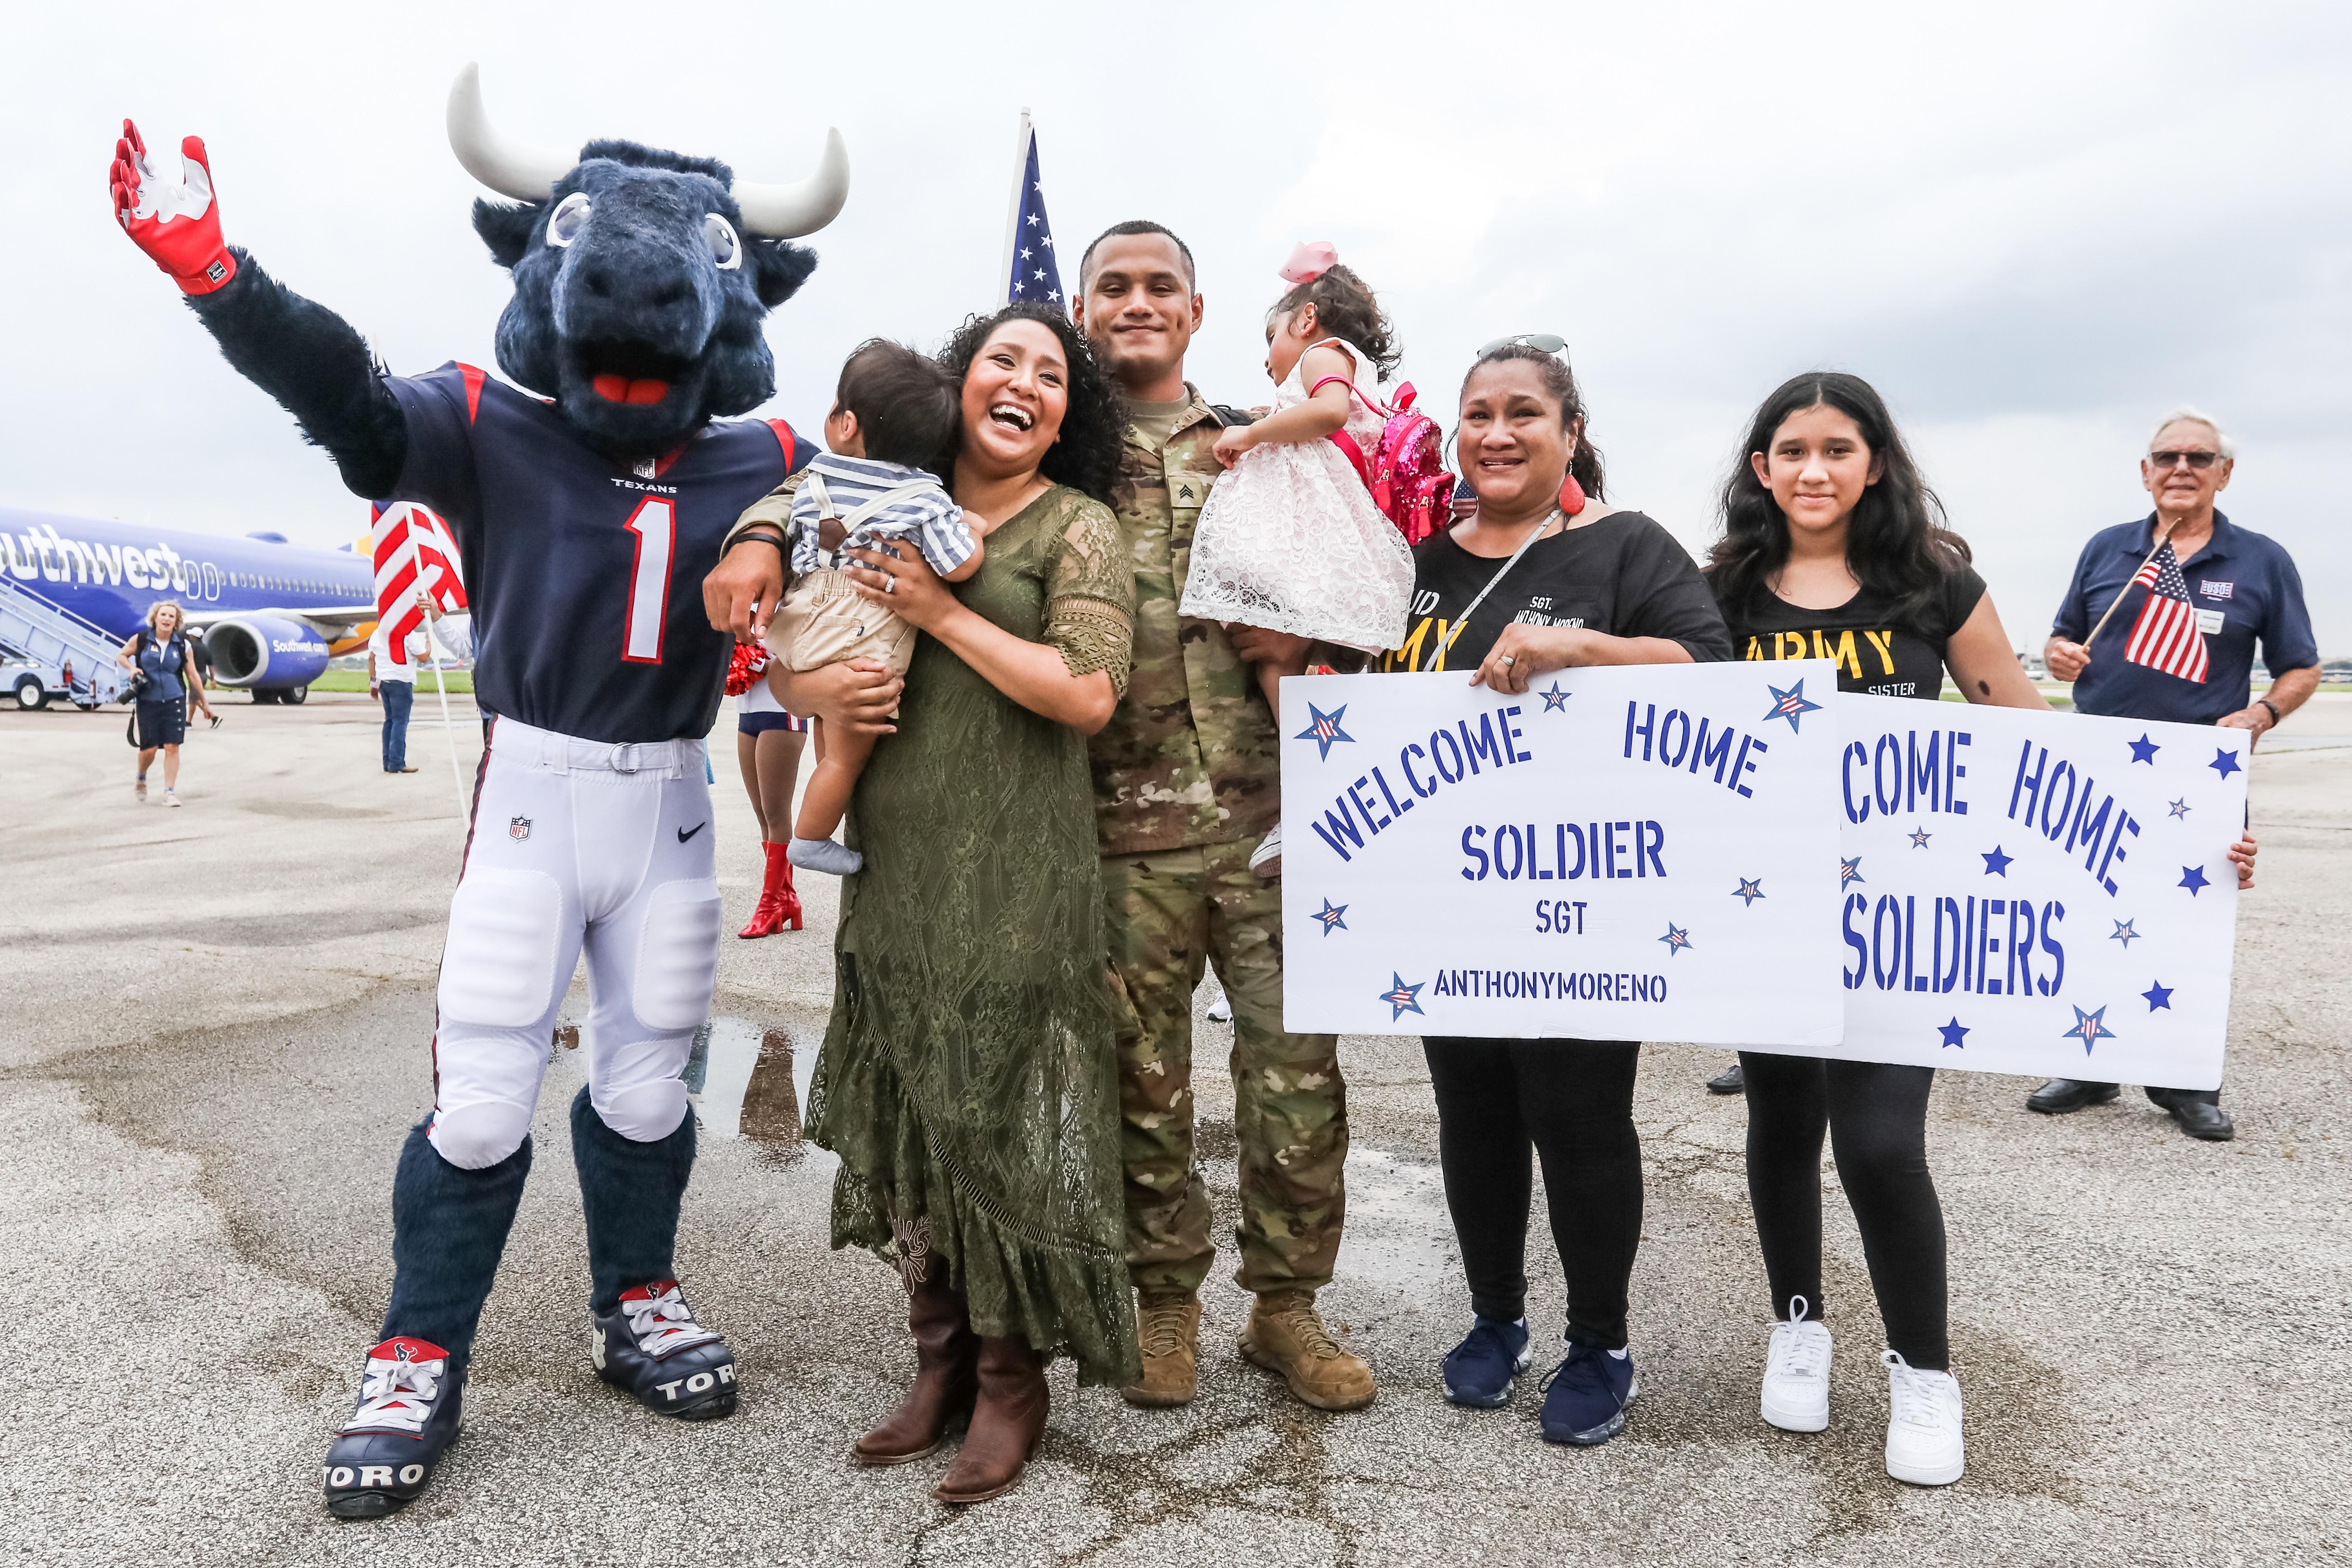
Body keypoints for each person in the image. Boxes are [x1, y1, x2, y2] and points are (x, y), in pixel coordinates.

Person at [709, 304, 1138, 1505]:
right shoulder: (875, 492)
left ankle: (1011, 1382)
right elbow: (789, 643)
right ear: (959, 387)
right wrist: (811, 678)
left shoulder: (1078, 527)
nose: (1023, 383)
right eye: (1001, 359)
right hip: (895, 868)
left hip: (1020, 874)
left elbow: (1089, 693)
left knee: (1002, 1115)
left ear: (1066, 412)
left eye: (1049, 375)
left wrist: (946, 613)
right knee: (912, 1117)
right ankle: (938, 1360)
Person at [1375, 337, 1731, 1447]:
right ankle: (1496, 1319)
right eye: (1475, 413)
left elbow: (1712, 670)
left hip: (1582, 897)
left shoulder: (1624, 545)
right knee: (1472, 1115)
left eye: (1522, 411)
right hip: (1452, 897)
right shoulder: (1418, 565)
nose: (1494, 432)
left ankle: (1599, 1343)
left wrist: (1576, 643)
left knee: (1576, 1116)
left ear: (1569, 433)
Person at [1704, 371, 2054, 1486]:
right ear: (1761, 468)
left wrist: (2176, 848)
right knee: (1780, 1128)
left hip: (1894, 923)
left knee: (1881, 1144)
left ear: (1874, 464)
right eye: (1792, 449)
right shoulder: (1718, 594)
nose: (1814, 470)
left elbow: (2031, 744)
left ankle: (1924, 1370)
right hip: (1763, 916)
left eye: (1838, 449)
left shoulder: (1936, 587)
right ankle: (1797, 1323)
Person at [1072, 220, 1373, 1415]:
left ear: (1195, 310)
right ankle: (1162, 1300)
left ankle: (1285, 1306)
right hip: (1113, 820)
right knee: (1140, 1073)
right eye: (1113, 286)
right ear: (1083, 307)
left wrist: (1304, 649)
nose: (1137, 302)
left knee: (1295, 1071)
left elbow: (1357, 585)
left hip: (1268, 811)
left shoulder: (1262, 447)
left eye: (1160, 286)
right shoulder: (1053, 448)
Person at [2030, 406, 2312, 1140]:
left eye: (2197, 456)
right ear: (2144, 472)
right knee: (2088, 917)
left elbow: (2300, 667)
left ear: (2223, 471)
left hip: (2196, 774)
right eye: (2165, 457)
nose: (2179, 468)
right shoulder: (2103, 550)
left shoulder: (2260, 560)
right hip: (2096, 766)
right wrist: (2059, 651)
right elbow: (2062, 634)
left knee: (2189, 927)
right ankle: (2088, 1062)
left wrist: (2261, 714)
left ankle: (2184, 1080)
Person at [1178, 243, 1416, 873]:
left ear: (1307, 319)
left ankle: (1310, 797)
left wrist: (1252, 434)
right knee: (1296, 664)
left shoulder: (1321, 356)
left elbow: (1329, 411)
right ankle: (1317, 793)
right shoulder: (1331, 368)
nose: (1267, 359)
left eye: (1272, 337)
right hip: (1331, 531)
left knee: (1268, 647)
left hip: (1310, 528)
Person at [733, 340, 981, 877]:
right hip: (859, 626)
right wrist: (974, 532)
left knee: (829, 728)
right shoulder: (923, 495)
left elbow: (799, 545)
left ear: (846, 425)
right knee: (848, 757)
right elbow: (957, 565)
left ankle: (821, 804)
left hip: (802, 623)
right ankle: (810, 838)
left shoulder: (815, 479)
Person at [726, 640, 808, 937]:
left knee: (775, 814)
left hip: (782, 711)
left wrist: (760, 662)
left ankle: (770, 904)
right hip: (747, 711)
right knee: (762, 813)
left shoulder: (795, 596)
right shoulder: (746, 601)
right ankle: (786, 899)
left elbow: (806, 652)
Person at [117, 600, 214, 805]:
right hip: (148, 699)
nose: (167, 619)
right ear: (155, 618)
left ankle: (169, 792)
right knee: (149, 749)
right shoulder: (142, 639)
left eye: (172, 616)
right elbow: (122, 656)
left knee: (172, 746)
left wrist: (205, 704)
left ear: (176, 622)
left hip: (174, 699)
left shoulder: (183, 645)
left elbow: (193, 675)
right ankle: (141, 777)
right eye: (163, 615)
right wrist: (132, 669)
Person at [367, 600, 429, 773]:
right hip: (401, 683)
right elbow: (423, 658)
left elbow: (372, 659)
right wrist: (429, 645)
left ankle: (387, 762)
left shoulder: (377, 633)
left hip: (384, 683)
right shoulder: (407, 632)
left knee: (389, 721)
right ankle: (397, 762)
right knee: (400, 722)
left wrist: (374, 684)